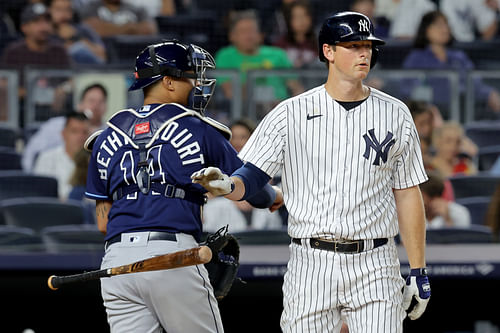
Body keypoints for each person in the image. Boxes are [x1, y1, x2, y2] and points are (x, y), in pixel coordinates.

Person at [192, 11, 431, 332]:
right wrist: (226, 184)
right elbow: (252, 178)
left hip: (375, 260)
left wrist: (418, 269)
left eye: (368, 46)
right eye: (353, 45)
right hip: (311, 259)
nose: (364, 53)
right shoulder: (290, 113)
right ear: (328, 52)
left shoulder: (395, 112)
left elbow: (408, 192)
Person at [84, 40, 281, 332]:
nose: (196, 84)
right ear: (167, 81)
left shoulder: (105, 137)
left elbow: (103, 222)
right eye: (190, 76)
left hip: (117, 264)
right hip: (172, 256)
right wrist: (272, 196)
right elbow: (250, 185)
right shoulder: (198, 128)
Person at [401, 11, 500, 117]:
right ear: (426, 29)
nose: (445, 29)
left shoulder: (459, 57)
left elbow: (475, 84)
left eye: (446, 24)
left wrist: (490, 93)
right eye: (439, 25)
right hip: (431, 114)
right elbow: (409, 90)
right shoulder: (416, 58)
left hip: (463, 111)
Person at [215, 9, 303, 117]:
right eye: (243, 31)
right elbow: (230, 93)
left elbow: (297, 88)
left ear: (260, 35)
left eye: (252, 30)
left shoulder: (278, 54)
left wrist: (290, 107)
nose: (249, 36)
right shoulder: (225, 56)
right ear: (232, 36)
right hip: (243, 114)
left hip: (281, 111)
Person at [203, 118, 283, 232]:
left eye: (243, 137)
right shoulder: (214, 169)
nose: (237, 142)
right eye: (233, 138)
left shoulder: (265, 168)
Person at [22, 83, 108, 171]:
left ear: (106, 107)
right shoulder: (55, 125)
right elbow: (31, 154)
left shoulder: (110, 133)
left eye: (101, 102)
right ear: (80, 104)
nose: (96, 106)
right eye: (91, 101)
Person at [33, 111, 90, 200]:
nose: (80, 137)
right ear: (63, 134)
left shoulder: (99, 161)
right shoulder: (46, 158)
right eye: (74, 131)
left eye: (85, 132)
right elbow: (39, 195)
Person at [48, 0, 106, 64]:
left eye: (68, 10)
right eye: (58, 9)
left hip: (86, 70)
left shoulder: (82, 28)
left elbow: (102, 56)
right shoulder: (43, 32)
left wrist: (76, 38)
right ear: (49, 10)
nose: (64, 14)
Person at [272, 0, 319, 69]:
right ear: (289, 20)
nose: (302, 21)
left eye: (305, 15)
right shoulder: (280, 45)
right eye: (297, 17)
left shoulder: (319, 44)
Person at [79, 0, 158, 37]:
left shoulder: (137, 9)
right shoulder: (90, 8)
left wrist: (109, 28)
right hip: (105, 59)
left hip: (134, 54)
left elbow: (150, 30)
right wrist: (129, 27)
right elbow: (92, 30)